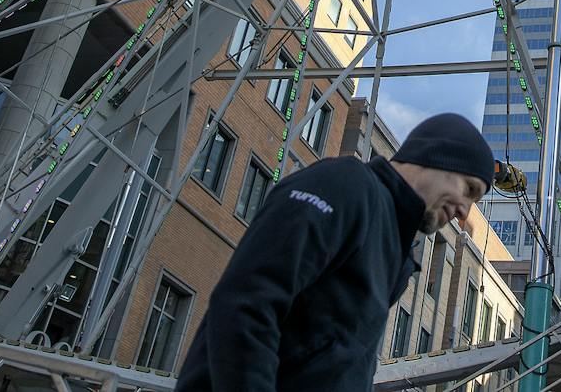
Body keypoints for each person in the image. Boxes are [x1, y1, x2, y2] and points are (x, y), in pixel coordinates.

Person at [175, 112, 494, 391]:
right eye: (469, 190)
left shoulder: (393, 245)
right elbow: (246, 302)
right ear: (438, 156)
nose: (465, 212)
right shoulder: (345, 185)